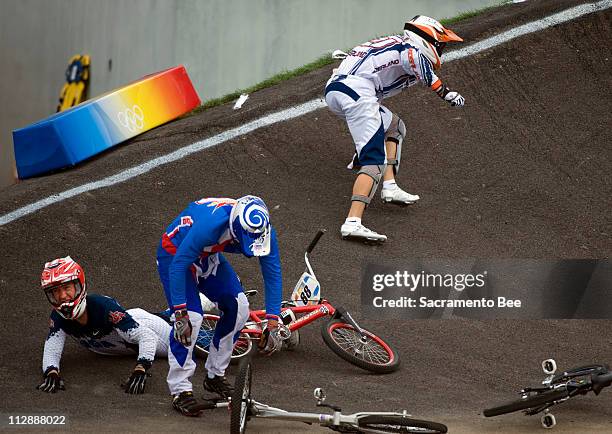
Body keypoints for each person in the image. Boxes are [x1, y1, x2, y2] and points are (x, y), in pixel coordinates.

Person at [325, 15, 465, 242]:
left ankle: (389, 186)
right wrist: (445, 92)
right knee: (374, 160)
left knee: (394, 127)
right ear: (427, 39)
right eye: (440, 45)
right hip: (357, 93)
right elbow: (414, 59)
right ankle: (353, 222)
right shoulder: (410, 49)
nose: (442, 51)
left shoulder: (394, 44)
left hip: (342, 90)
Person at [157, 195, 283, 416]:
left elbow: (272, 273)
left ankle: (215, 375)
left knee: (240, 307)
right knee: (191, 320)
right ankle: (180, 389)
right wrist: (179, 313)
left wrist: (273, 320)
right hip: (175, 255)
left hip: (207, 255)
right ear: (235, 227)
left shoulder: (262, 228)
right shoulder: (210, 226)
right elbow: (178, 266)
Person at [37, 256, 170, 395]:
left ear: (79, 285)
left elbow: (148, 337)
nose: (62, 296)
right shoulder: (58, 316)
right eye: (55, 291)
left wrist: (141, 368)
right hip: (131, 337)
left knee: (186, 347)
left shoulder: (103, 307)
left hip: (149, 325)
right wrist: (51, 373)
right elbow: (52, 349)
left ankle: (179, 315)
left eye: (66, 287)